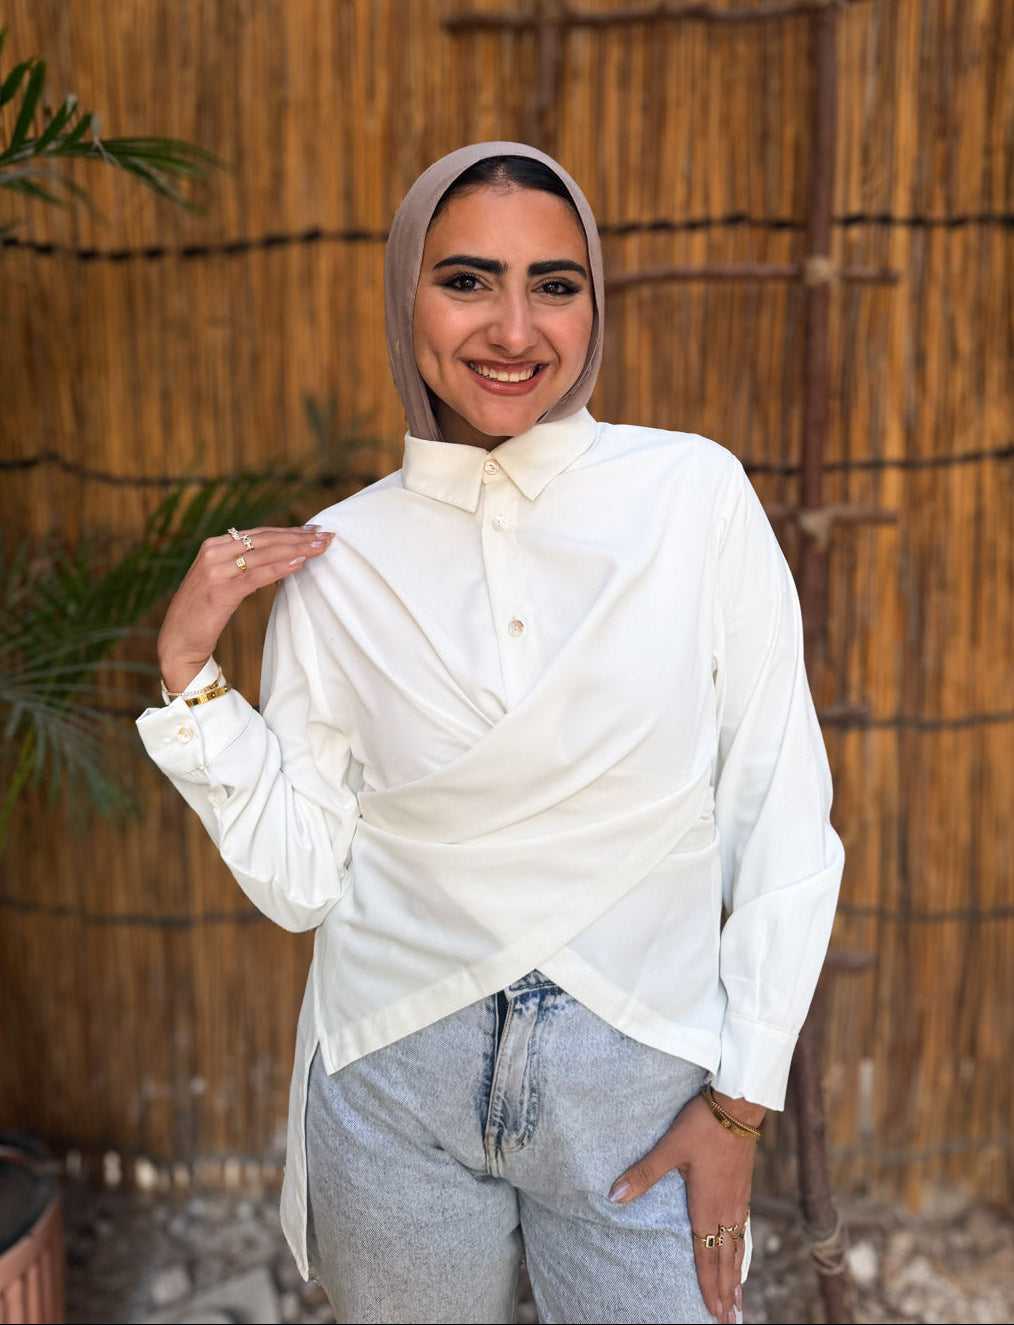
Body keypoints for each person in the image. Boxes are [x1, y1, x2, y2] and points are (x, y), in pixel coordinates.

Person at [139, 141, 844, 1325]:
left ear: (593, 301)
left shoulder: (694, 498)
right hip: (393, 1080)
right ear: (404, 291)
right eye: (467, 280)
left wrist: (739, 1104)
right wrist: (190, 676)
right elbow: (305, 879)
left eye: (554, 285)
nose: (514, 328)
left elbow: (780, 808)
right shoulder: (335, 558)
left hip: (640, 1078)